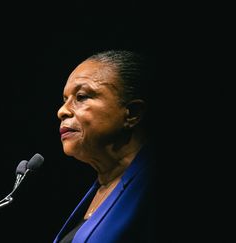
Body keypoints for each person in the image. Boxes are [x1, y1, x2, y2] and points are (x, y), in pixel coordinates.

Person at [53, 50, 156, 243]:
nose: (62, 111)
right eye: (64, 100)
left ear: (132, 113)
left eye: (81, 97)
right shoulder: (100, 188)